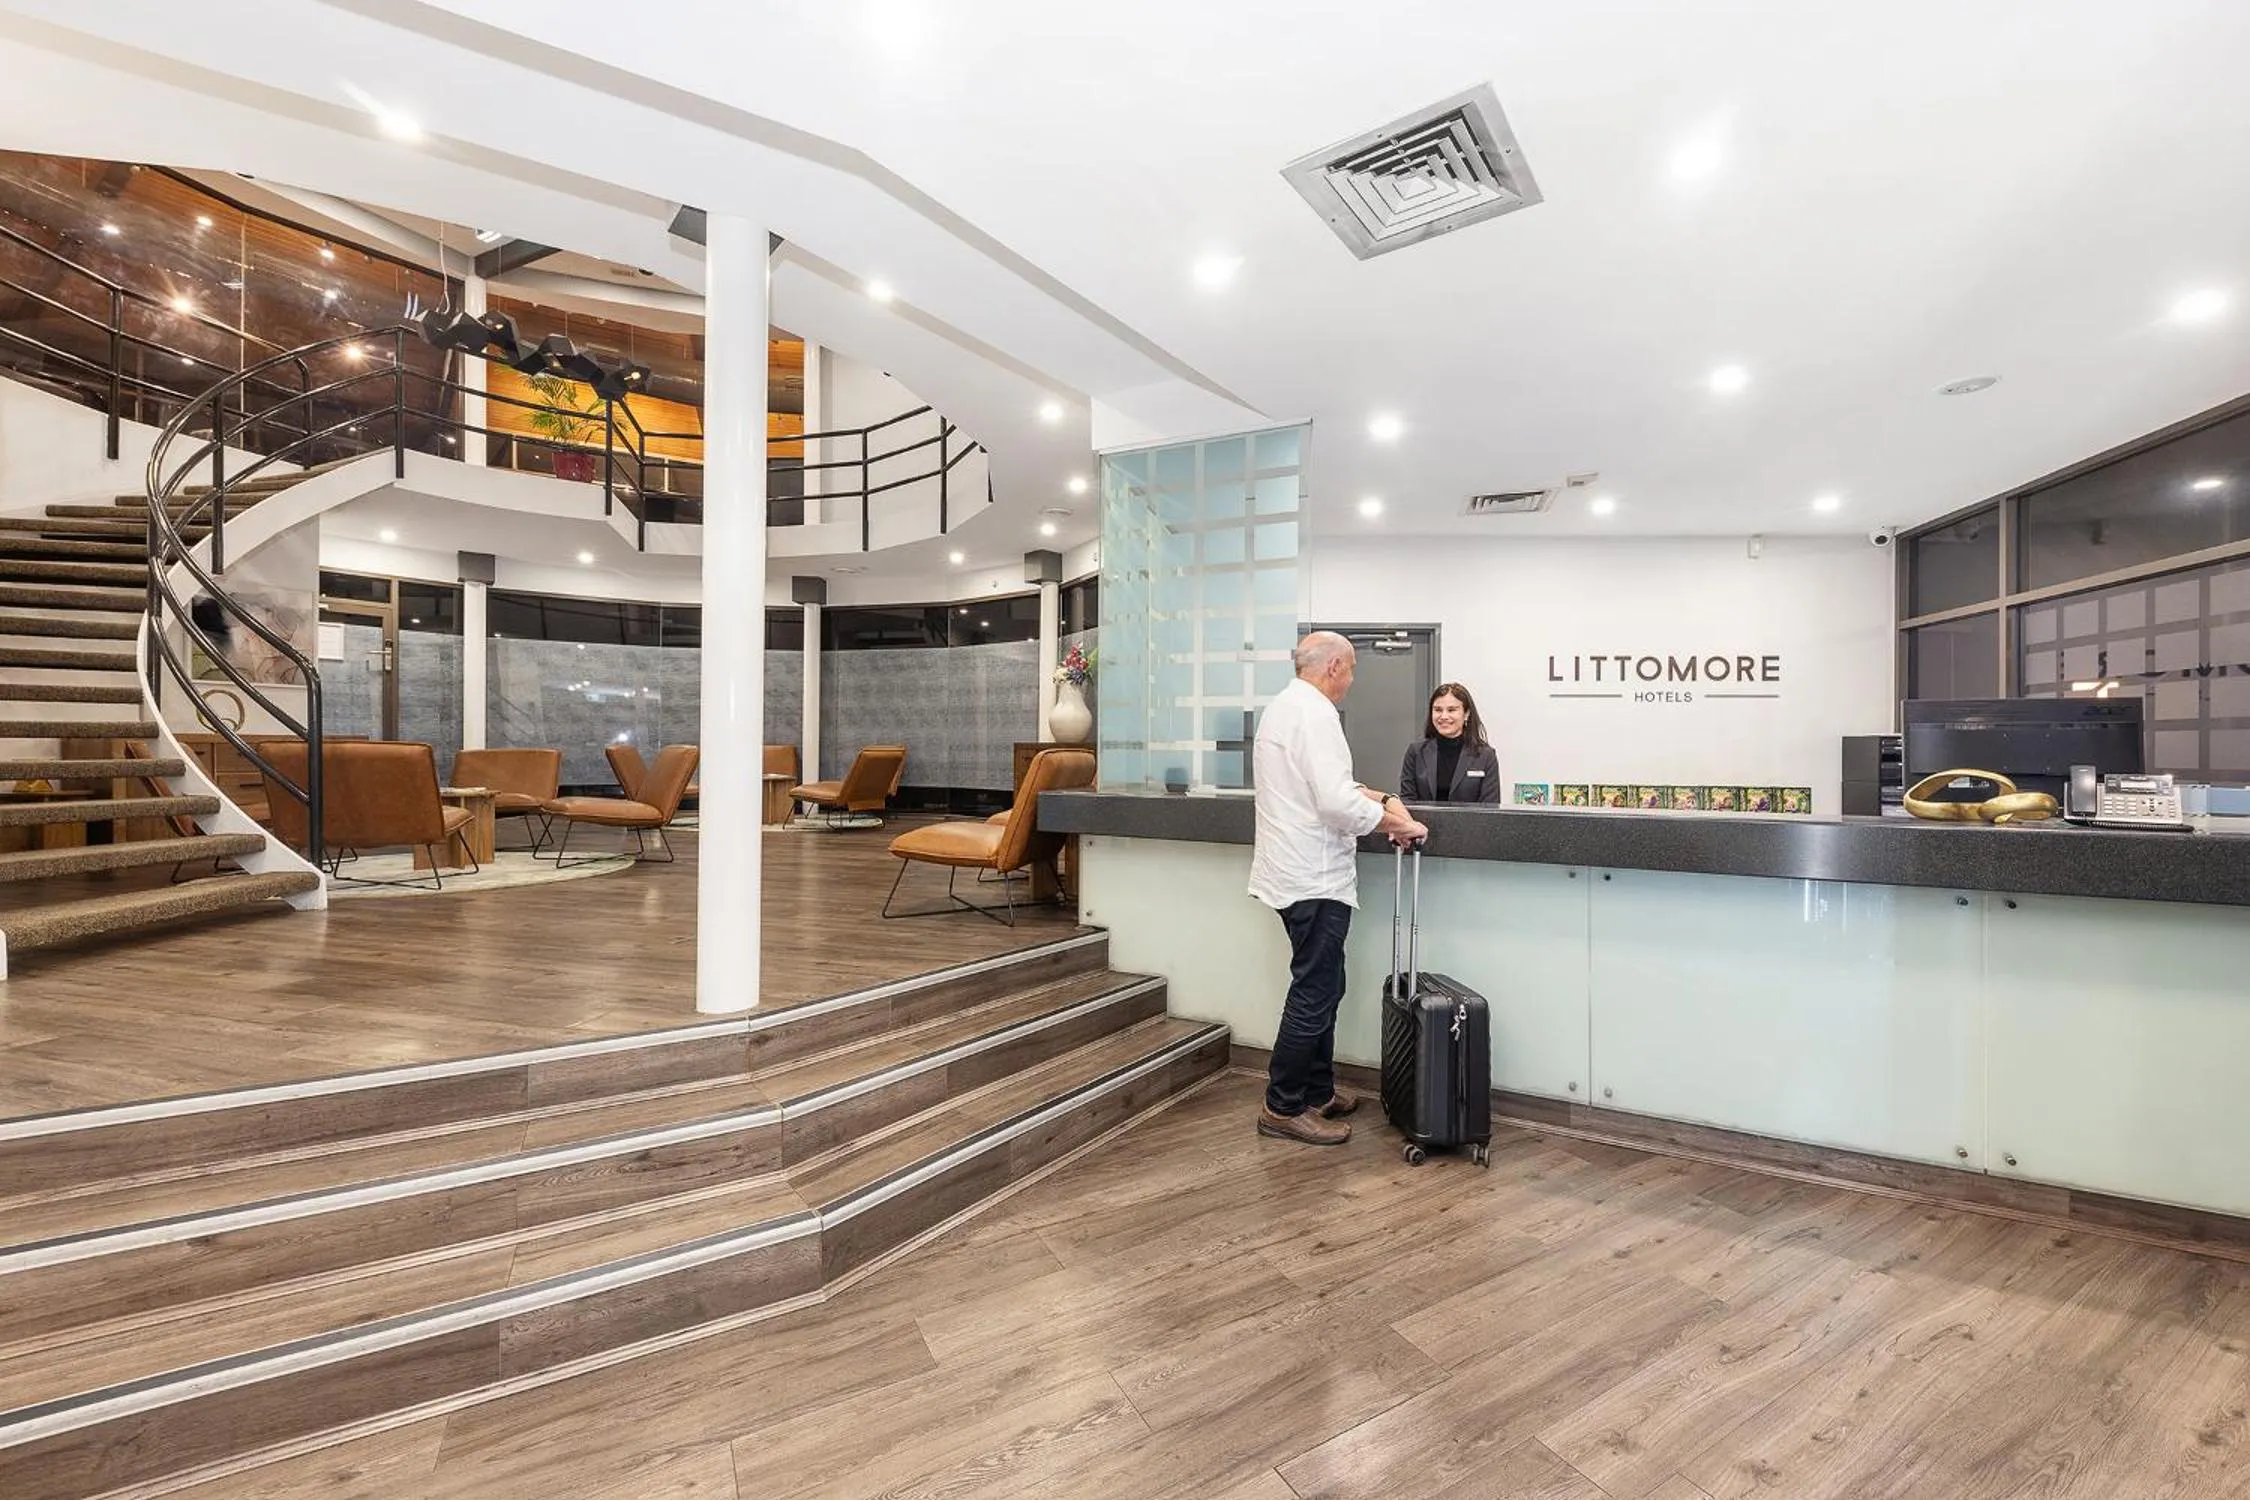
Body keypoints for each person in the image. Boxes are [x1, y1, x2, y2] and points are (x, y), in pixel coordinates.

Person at [1248, 631, 1429, 1147]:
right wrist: (1395, 823)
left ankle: (1317, 1090)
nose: (1351, 679)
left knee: (1327, 984)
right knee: (1315, 990)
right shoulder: (1316, 714)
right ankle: (1283, 1107)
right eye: (1350, 669)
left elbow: (1328, 788)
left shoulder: (1287, 707)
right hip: (1313, 877)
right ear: (1334, 667)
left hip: (1297, 873)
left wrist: (1383, 798)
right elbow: (1333, 802)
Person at [1398, 682, 1501, 804]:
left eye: (1451, 710)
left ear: (1466, 714)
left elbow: (1490, 809)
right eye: (1438, 710)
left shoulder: (1486, 756)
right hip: (1420, 823)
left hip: (1470, 823)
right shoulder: (1415, 752)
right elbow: (1407, 802)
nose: (1444, 716)